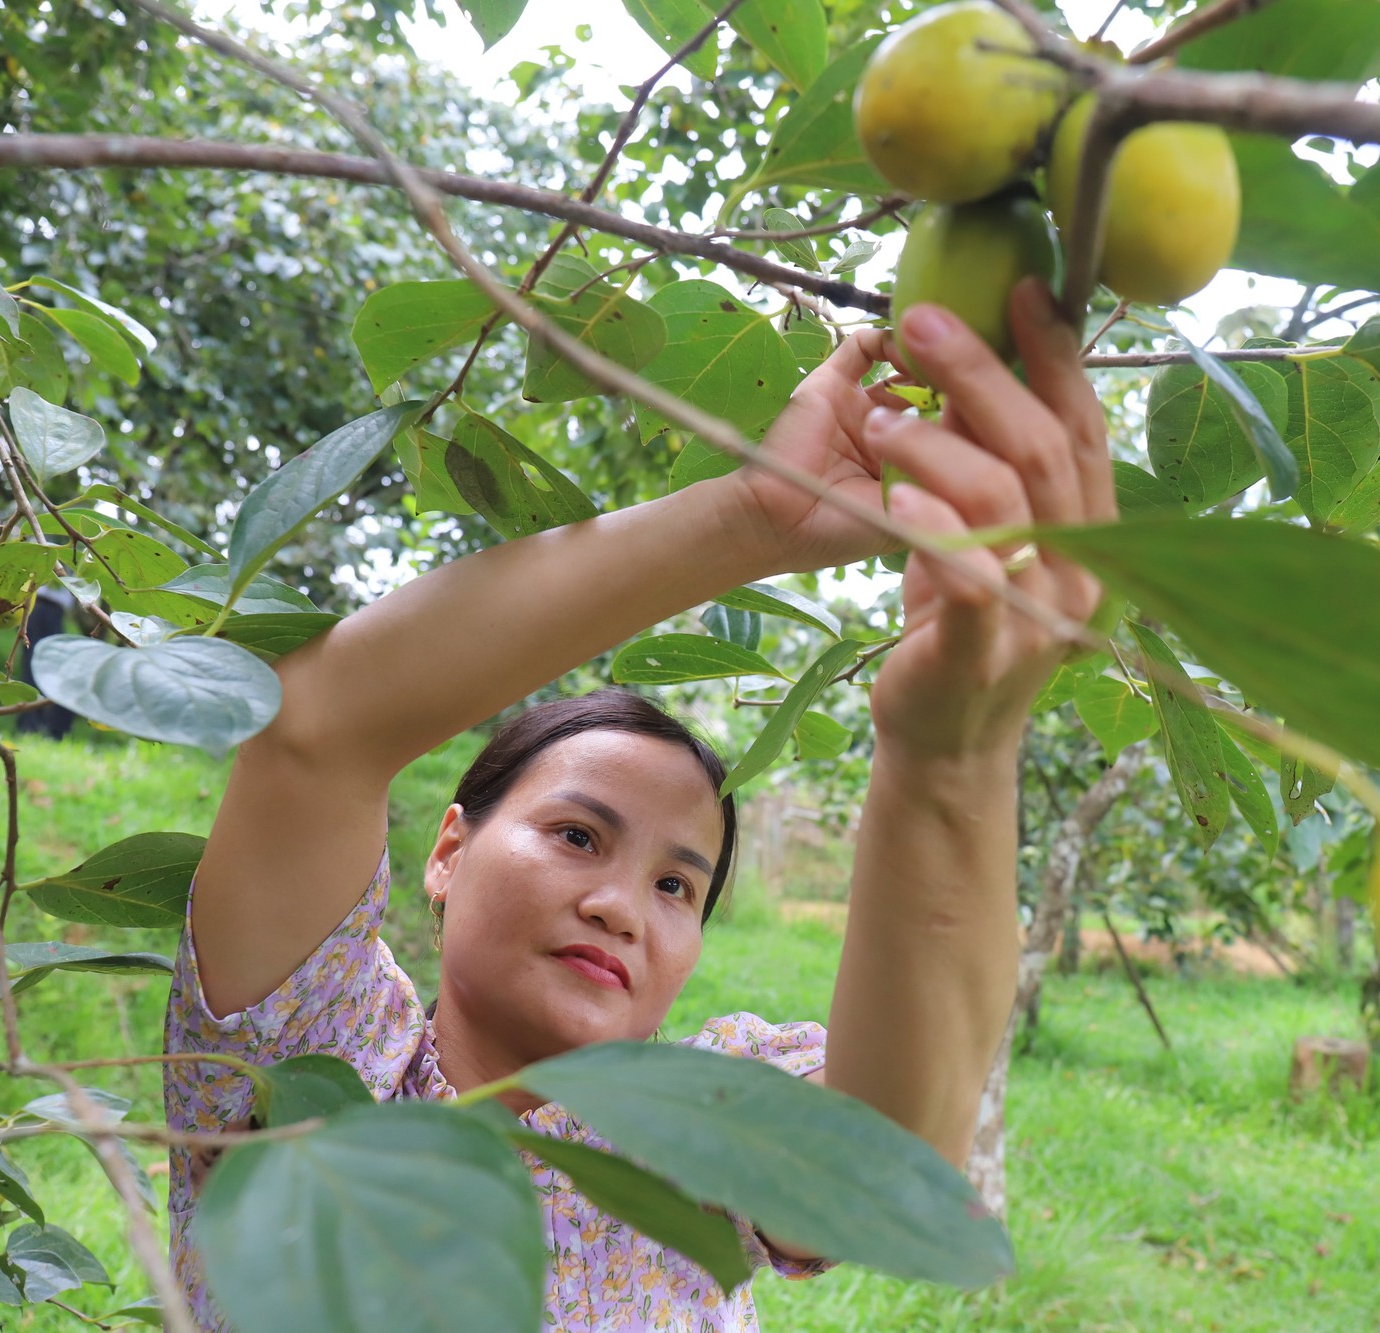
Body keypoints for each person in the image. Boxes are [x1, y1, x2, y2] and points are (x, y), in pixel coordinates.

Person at [161, 279, 1117, 1331]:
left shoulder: (694, 1133)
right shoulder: (310, 1069)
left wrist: (949, 752)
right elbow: (315, 735)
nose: (620, 906)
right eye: (576, 834)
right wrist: (752, 514)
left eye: (675, 885)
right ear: (448, 849)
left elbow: (886, 1160)